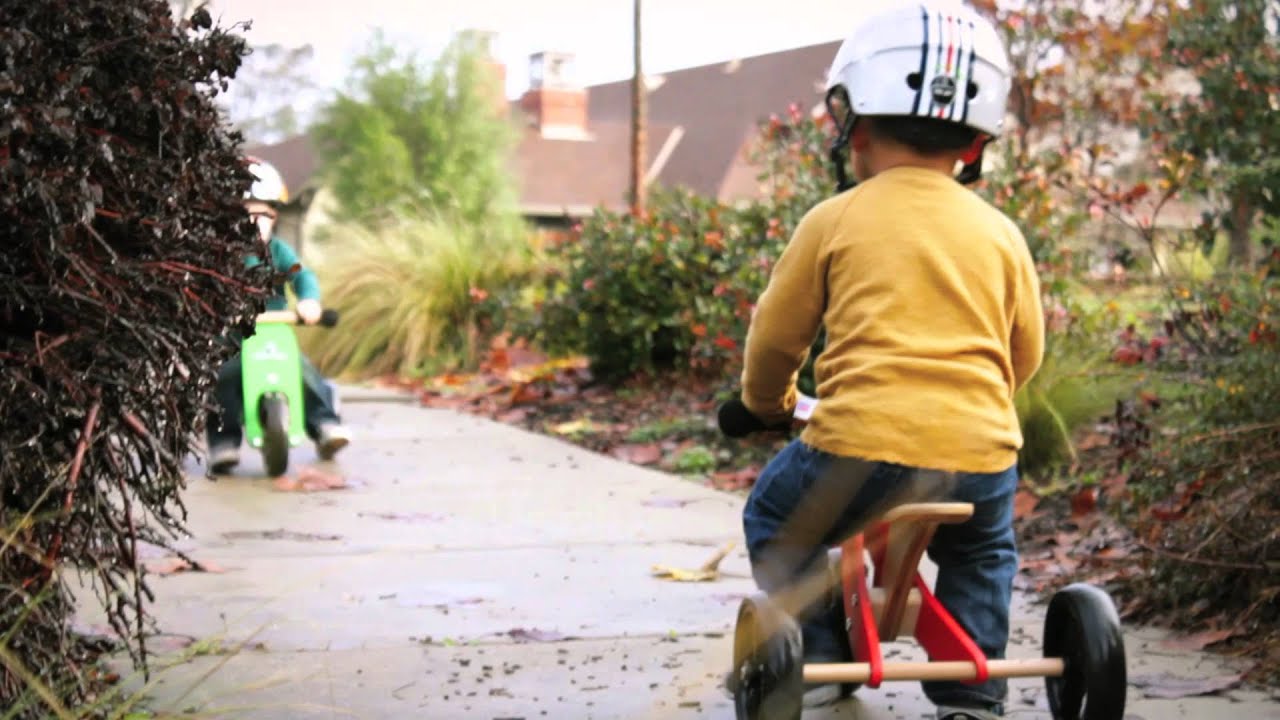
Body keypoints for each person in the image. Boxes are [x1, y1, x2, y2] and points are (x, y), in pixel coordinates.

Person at [719, 3, 1045, 718]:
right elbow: (1026, 353)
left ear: (856, 127)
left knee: (777, 517)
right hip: (982, 456)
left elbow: (776, 340)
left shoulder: (834, 221)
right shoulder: (1000, 234)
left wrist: (764, 407)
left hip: (858, 450)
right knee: (982, 553)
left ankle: (826, 663)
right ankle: (973, 692)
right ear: (973, 147)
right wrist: (975, 407)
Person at [206, 157, 352, 474]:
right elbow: (208, 286)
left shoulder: (279, 252)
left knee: (299, 369)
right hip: (235, 336)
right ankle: (223, 442)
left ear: (273, 216)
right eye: (245, 215)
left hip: (275, 329)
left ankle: (325, 425)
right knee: (224, 378)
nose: (254, 223)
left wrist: (309, 301)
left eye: (262, 215)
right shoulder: (221, 255)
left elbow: (302, 276)